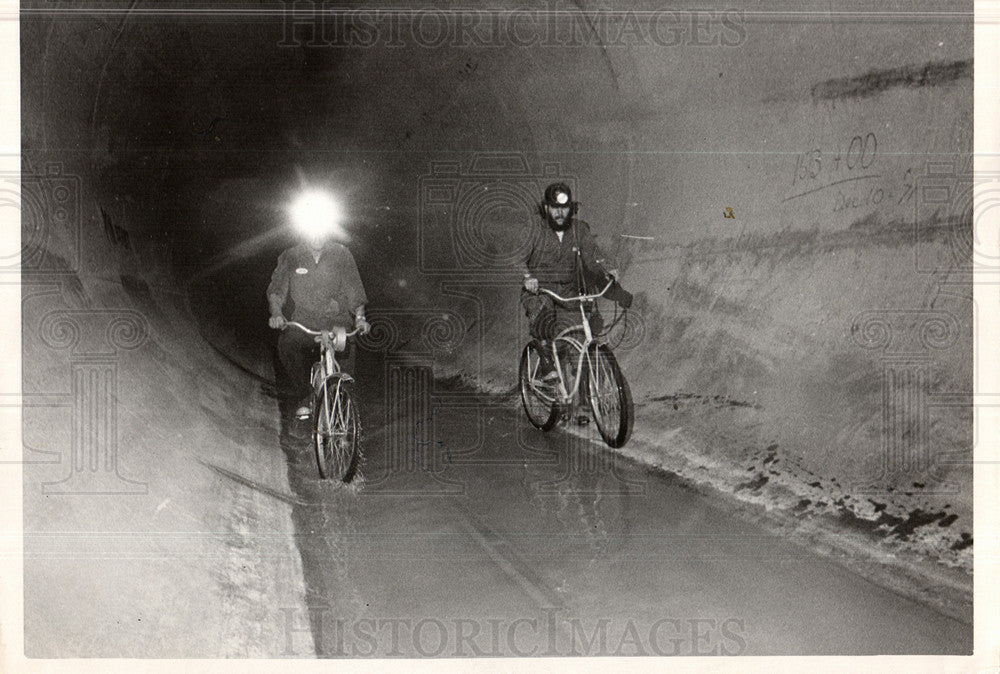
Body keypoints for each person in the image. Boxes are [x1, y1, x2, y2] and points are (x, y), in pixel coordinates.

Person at [521, 182, 632, 378]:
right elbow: (518, 258)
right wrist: (527, 276)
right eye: (554, 208)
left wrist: (611, 275)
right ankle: (545, 364)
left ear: (570, 209)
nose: (559, 213)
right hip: (540, 291)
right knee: (544, 321)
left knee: (576, 338)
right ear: (546, 209)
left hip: (567, 292)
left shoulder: (580, 230)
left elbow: (592, 259)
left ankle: (582, 395)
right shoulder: (535, 230)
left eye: (564, 208)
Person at [267, 216, 370, 419]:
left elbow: (354, 288)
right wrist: (277, 314)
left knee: (346, 354)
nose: (317, 236)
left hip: (338, 320)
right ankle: (305, 394)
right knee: (287, 344)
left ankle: (344, 403)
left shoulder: (341, 253)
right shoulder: (291, 255)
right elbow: (276, 291)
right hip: (304, 320)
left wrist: (360, 317)